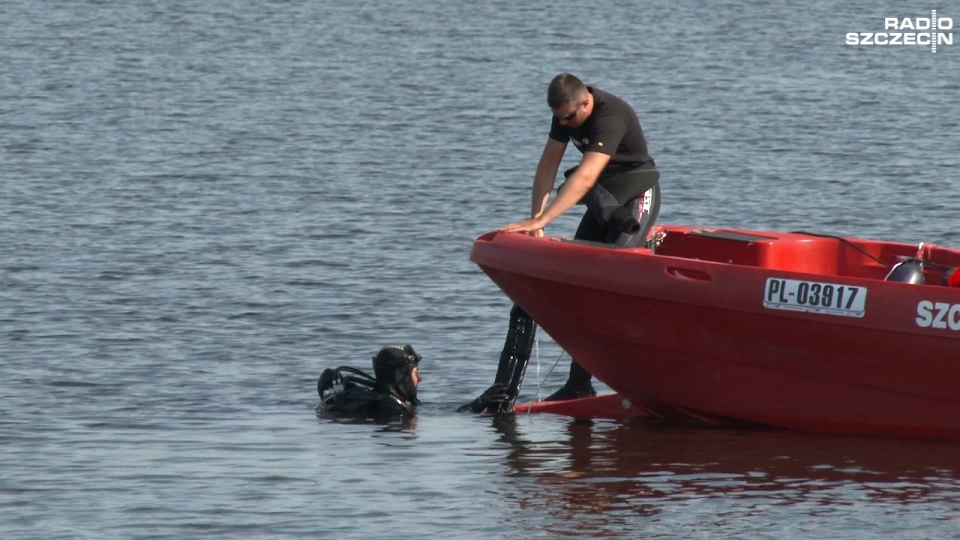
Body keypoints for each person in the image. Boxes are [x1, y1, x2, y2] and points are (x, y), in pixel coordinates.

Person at [463, 73, 661, 411]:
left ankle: (642, 377)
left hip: (635, 195)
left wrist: (544, 220)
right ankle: (576, 384)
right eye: (559, 119)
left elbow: (585, 176)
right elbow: (547, 166)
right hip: (603, 200)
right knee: (578, 282)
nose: (564, 124)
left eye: (569, 117)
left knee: (611, 281)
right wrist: (535, 221)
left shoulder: (610, 116)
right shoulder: (565, 115)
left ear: (586, 102)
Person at [317, 345, 422, 418]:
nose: (419, 378)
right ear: (400, 375)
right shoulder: (389, 409)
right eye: (415, 372)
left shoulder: (369, 398)